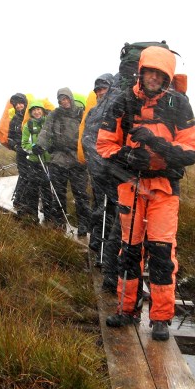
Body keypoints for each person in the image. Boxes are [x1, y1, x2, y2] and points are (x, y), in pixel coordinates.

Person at [96, 46, 195, 341]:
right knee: (129, 250)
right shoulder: (123, 101)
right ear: (140, 72)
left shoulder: (179, 103)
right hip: (131, 185)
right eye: (149, 72)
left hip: (164, 188)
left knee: (162, 253)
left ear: (167, 77)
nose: (153, 78)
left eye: (160, 74)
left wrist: (157, 144)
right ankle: (126, 309)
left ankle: (160, 318)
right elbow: (104, 144)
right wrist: (128, 156)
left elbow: (192, 151)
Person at [80, 73, 121, 293]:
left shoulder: (117, 107)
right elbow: (88, 139)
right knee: (102, 208)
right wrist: (99, 164)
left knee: (110, 211)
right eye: (97, 90)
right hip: (101, 172)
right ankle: (99, 247)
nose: (99, 93)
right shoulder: (95, 111)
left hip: (114, 172)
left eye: (102, 89)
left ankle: (107, 255)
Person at [37, 87, 91, 236]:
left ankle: (84, 225)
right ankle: (59, 223)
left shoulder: (81, 113)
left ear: (71, 98)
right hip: (58, 158)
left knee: (80, 195)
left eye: (66, 98)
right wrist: (40, 145)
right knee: (58, 193)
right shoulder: (54, 114)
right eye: (61, 100)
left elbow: (88, 133)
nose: (64, 102)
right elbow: (46, 131)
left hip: (77, 159)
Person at [20, 100, 53, 225]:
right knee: (33, 189)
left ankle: (49, 217)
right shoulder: (28, 125)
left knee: (47, 189)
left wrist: (48, 147)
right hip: (34, 162)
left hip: (48, 161)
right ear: (31, 112)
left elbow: (53, 139)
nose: (36, 112)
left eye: (38, 109)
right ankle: (33, 216)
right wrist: (33, 148)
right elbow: (24, 144)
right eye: (34, 110)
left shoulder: (49, 122)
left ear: (43, 110)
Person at [6, 93, 34, 217]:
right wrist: (16, 147)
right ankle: (20, 203)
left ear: (25, 103)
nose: (18, 106)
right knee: (24, 176)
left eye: (20, 103)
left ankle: (28, 204)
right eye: (16, 104)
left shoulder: (32, 116)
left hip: (33, 153)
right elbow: (10, 137)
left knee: (32, 178)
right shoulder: (14, 120)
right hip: (21, 154)